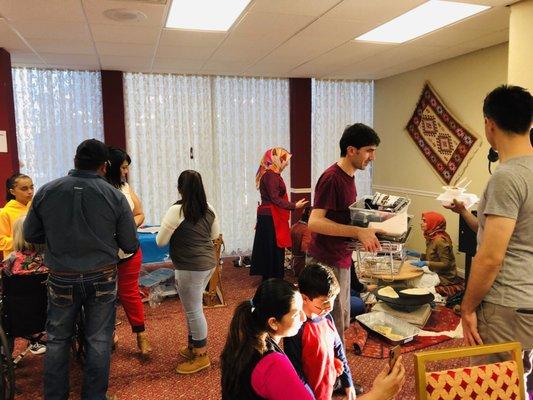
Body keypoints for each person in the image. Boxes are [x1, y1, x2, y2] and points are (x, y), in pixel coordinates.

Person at [23, 139, 139, 400]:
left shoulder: (46, 191)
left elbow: (31, 233)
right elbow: (130, 243)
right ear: (104, 165)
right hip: (103, 275)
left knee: (57, 339)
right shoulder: (114, 195)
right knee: (99, 340)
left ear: (74, 160)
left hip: (61, 275)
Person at [445, 85, 533, 396]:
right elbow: (506, 233)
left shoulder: (507, 177)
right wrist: (464, 212)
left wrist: (467, 308)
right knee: (521, 380)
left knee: (493, 386)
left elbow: (491, 256)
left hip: (505, 305)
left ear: (489, 124)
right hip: (527, 301)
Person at [285, 264, 405, 400]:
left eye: (333, 300)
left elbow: (339, 350)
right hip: (309, 392)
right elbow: (296, 374)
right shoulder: (296, 329)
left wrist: (348, 383)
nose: (330, 307)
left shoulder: (327, 317)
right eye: (324, 302)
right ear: (304, 298)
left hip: (327, 383)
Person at [307, 123, 382, 340]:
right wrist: (357, 232)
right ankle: (333, 370)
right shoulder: (332, 178)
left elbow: (340, 216)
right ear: (351, 150)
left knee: (342, 316)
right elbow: (314, 222)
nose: (372, 157)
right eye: (369, 150)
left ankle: (336, 366)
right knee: (331, 322)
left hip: (340, 257)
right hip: (326, 260)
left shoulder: (348, 176)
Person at [156, 170, 220, 374]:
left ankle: (201, 355)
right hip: (208, 264)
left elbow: (160, 241)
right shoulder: (209, 208)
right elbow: (215, 235)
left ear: (180, 188)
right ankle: (194, 345)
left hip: (189, 267)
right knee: (192, 308)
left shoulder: (176, 211)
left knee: (194, 310)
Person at [220, 278, 313, 400]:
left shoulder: (245, 341)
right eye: (296, 314)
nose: (304, 317)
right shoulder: (273, 364)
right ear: (273, 322)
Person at [105, 147, 151, 356]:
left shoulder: (125, 187)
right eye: (123, 168)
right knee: (103, 296)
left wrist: (127, 225)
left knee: (129, 293)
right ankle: (109, 334)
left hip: (129, 250)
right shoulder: (98, 188)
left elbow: (140, 214)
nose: (126, 172)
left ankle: (141, 335)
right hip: (103, 253)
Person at [250, 147, 308, 281]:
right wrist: (294, 206)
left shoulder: (271, 174)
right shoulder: (271, 175)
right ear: (276, 160)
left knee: (269, 247)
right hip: (271, 217)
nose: (287, 164)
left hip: (269, 216)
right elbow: (275, 199)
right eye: (285, 160)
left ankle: (270, 277)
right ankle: (274, 279)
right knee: (273, 248)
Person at [407, 211, 458, 285]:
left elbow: (446, 264)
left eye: (424, 221)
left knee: (411, 281)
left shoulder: (440, 240)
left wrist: (426, 263)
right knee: (410, 275)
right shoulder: (432, 236)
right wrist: (418, 255)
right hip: (435, 271)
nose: (421, 223)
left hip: (444, 277)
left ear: (433, 223)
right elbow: (434, 257)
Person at [0, 173, 34, 260]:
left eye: (31, 187)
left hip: (36, 258)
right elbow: (1, 242)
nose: (30, 192)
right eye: (24, 189)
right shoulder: (5, 212)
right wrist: (23, 242)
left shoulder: (35, 207)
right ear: (12, 192)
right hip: (15, 261)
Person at [290, 206, 312, 277]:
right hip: (302, 268)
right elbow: (305, 249)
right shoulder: (307, 229)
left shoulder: (294, 226)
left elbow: (288, 246)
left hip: (294, 264)